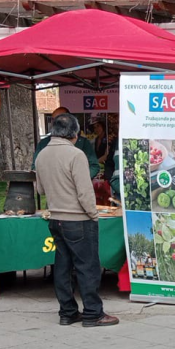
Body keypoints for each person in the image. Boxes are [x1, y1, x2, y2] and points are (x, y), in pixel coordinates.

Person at [36, 113, 119, 327]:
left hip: (55, 218)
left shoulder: (42, 155)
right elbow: (85, 193)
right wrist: (93, 214)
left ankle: (67, 312)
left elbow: (40, 189)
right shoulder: (76, 155)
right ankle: (93, 313)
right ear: (74, 134)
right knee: (88, 267)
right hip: (78, 219)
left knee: (62, 268)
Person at [33, 107, 100, 178]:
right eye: (53, 120)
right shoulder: (44, 143)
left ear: (69, 121)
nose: (55, 123)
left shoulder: (82, 142)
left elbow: (94, 166)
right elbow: (35, 167)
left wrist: (80, 179)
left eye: (59, 120)